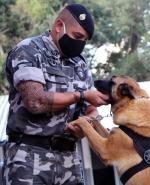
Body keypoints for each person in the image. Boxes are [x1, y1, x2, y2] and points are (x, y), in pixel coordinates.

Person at [3, 3, 108, 185]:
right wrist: (80, 95)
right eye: (77, 36)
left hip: (69, 159)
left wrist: (85, 125)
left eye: (84, 40)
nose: (80, 44)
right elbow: (35, 102)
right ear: (59, 26)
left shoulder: (80, 65)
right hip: (29, 157)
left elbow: (92, 110)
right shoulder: (29, 50)